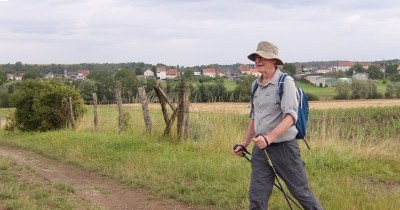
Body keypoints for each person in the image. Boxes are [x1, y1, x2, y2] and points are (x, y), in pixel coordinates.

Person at [233, 41, 323, 210]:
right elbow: (254, 116)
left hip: (284, 148)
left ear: (274, 60)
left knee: (301, 192)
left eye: (263, 57)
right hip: (260, 149)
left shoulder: (285, 82)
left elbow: (291, 117)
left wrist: (269, 138)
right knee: (257, 196)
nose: (258, 61)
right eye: (256, 57)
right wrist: (244, 143)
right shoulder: (255, 86)